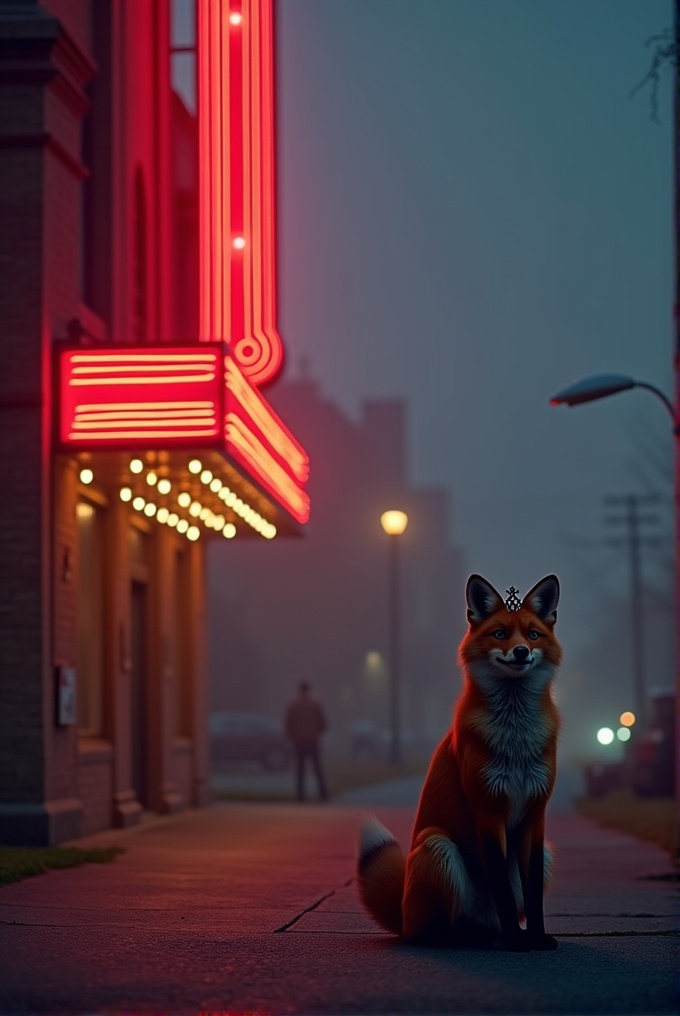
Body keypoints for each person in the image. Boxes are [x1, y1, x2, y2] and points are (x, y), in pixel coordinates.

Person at [285, 681, 328, 802]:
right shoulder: (315, 705)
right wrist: (315, 733)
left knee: (300, 770)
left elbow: (288, 725)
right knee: (318, 769)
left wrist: (294, 735)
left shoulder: (293, 706)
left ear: (299, 691)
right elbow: (323, 724)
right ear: (309, 691)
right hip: (313, 741)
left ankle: (300, 796)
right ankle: (323, 795)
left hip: (299, 742)